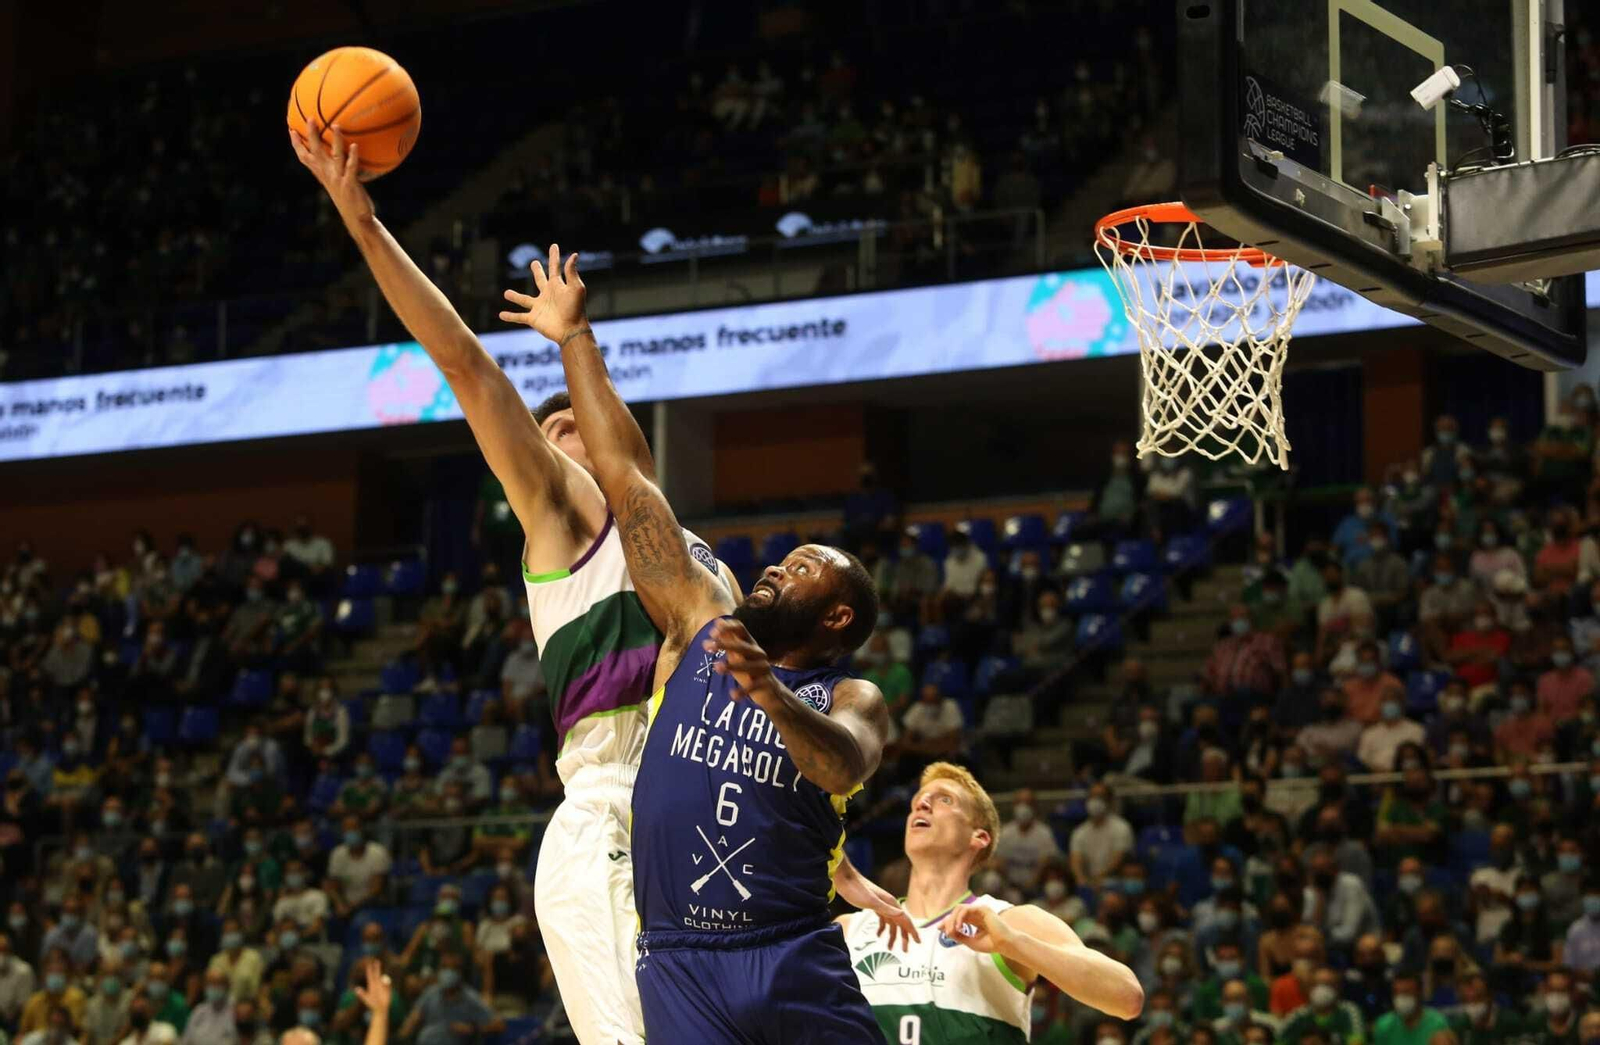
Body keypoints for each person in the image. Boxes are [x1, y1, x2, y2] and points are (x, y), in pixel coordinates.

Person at [291, 127, 900, 1045]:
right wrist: (363, 220)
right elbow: (466, 363)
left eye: (577, 422)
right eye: (551, 432)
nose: (564, 435)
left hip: (688, 841)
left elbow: (757, 756)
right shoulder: (561, 513)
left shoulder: (698, 564)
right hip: (610, 808)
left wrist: (834, 866)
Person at [501, 241, 909, 1042]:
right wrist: (575, 337)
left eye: (802, 569)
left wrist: (772, 699)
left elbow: (840, 766)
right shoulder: (699, 628)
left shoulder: (851, 697)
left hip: (788, 947)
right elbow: (627, 478)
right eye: (784, 559)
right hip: (681, 958)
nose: (777, 567)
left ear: (837, 618)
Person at [840, 763, 1144, 1042]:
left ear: (979, 837)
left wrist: (1011, 943)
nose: (922, 804)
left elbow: (1127, 997)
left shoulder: (1010, 921)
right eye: (917, 800)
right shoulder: (851, 929)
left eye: (944, 799)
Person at [1069, 784, 1134, 890]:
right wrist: (1081, 879)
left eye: (1100, 797)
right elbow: (1075, 860)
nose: (1095, 801)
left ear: (1110, 801)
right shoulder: (1079, 832)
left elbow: (1118, 859)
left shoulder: (1121, 828)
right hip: (1089, 882)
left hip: (1114, 882)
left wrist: (1099, 879)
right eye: (1092, 797)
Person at [1280, 966, 1365, 1045]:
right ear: (1309, 987)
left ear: (1339, 987)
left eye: (1328, 984)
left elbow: (1357, 1041)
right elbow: (1280, 1039)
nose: (1322, 989)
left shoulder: (1348, 1011)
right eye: (1318, 984)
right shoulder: (1300, 1015)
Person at [1370, 971, 1449, 1045]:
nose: (1401, 997)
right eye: (1397, 993)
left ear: (1419, 993)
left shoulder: (1436, 1024)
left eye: (1406, 992)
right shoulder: (1383, 1026)